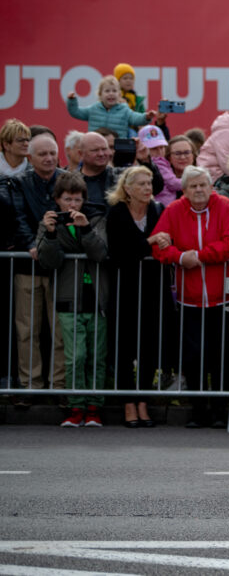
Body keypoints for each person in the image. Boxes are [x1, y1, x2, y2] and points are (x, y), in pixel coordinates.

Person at [151, 165, 229, 428]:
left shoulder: (224, 206)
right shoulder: (173, 210)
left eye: (203, 184)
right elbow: (159, 245)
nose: (199, 190)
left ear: (210, 186)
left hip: (223, 297)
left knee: (221, 356)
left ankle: (221, 410)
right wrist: (179, 257)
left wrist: (198, 256)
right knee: (194, 356)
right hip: (189, 298)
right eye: (193, 186)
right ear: (185, 190)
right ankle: (198, 410)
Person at [35, 173, 108, 427]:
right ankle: (76, 406)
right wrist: (51, 234)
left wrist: (85, 228)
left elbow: (100, 253)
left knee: (95, 356)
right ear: (57, 200)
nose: (72, 206)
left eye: (77, 199)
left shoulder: (96, 218)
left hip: (97, 298)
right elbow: (49, 261)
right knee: (75, 356)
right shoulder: (49, 222)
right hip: (68, 297)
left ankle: (94, 407)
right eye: (67, 200)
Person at [104, 165, 166, 427]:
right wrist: (150, 243)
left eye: (149, 183)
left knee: (149, 347)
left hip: (152, 287)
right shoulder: (117, 212)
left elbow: (157, 246)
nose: (147, 188)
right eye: (141, 184)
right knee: (124, 348)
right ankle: (128, 404)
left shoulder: (156, 209)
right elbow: (119, 252)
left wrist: (160, 244)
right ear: (127, 188)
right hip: (124, 287)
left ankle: (144, 402)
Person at [9, 134, 67, 399]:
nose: (49, 158)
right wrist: (31, 244)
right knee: (27, 330)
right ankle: (30, 385)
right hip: (28, 267)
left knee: (60, 332)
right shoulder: (19, 183)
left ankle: (60, 386)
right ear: (29, 158)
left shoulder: (67, 180)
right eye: (42, 154)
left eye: (53, 153)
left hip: (62, 267)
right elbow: (17, 217)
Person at [65, 75, 155, 137]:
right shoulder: (94, 109)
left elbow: (136, 118)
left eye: (114, 91)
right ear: (100, 94)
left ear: (119, 95)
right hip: (96, 147)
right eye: (107, 91)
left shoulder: (124, 110)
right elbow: (76, 112)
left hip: (117, 149)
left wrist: (146, 117)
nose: (111, 94)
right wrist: (72, 100)